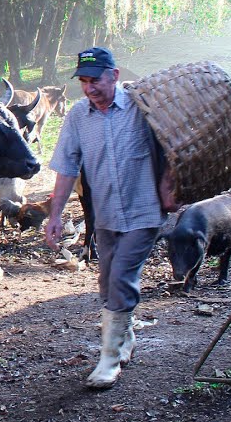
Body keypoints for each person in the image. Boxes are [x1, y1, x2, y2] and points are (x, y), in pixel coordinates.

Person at [43, 46, 177, 389]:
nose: (90, 88)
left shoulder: (140, 105)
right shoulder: (77, 116)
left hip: (144, 211)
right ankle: (125, 338)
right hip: (104, 216)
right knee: (106, 282)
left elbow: (173, 147)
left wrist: (169, 187)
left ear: (114, 76)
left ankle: (109, 359)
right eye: (84, 81)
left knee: (120, 278)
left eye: (95, 80)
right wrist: (55, 215)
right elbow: (66, 167)